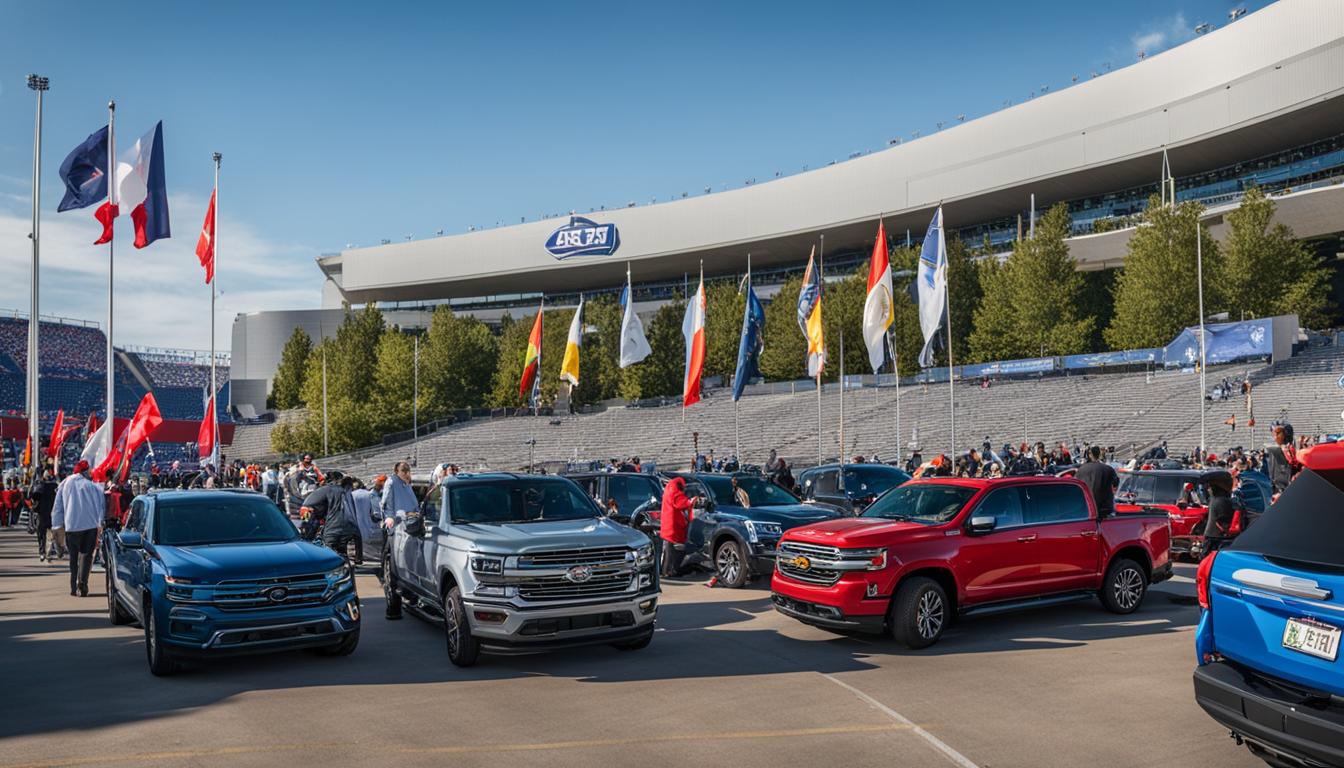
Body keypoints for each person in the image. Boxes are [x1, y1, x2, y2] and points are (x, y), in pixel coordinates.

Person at [51, 460, 105, 597]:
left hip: (72, 526)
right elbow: (100, 507)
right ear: (85, 471)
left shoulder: (65, 483)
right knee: (86, 556)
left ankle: (73, 586)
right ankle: (83, 584)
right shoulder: (93, 487)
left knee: (73, 558)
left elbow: (58, 507)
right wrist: (100, 524)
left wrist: (56, 525)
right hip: (90, 526)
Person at [302, 474, 363, 564]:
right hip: (350, 529)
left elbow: (306, 505)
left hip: (333, 530)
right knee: (342, 553)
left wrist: (306, 522)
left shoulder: (327, 489)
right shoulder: (347, 493)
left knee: (328, 557)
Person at [659, 476, 696, 578]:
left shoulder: (669, 488)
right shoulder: (674, 491)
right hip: (672, 526)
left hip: (667, 525)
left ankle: (665, 571)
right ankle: (670, 571)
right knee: (671, 552)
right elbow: (681, 503)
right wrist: (691, 501)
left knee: (667, 551)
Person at [1199, 472, 1237, 558]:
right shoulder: (1222, 500)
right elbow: (1223, 520)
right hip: (1217, 537)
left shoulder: (1214, 498)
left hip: (1211, 535)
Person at [1075, 446, 1119, 517]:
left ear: (1090, 454)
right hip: (1104, 509)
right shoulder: (1108, 469)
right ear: (1099, 454)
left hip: (1086, 509)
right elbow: (1115, 484)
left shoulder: (1081, 469)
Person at [28, 470, 58, 562]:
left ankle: (42, 552)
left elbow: (31, 496)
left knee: (41, 535)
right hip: (52, 513)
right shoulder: (55, 486)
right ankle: (49, 552)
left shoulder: (39, 485)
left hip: (41, 513)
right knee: (51, 534)